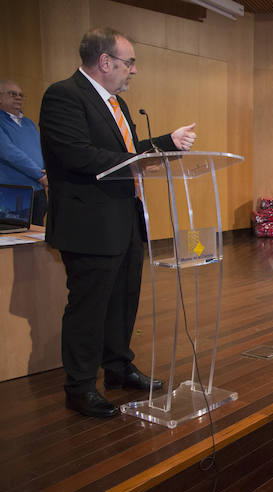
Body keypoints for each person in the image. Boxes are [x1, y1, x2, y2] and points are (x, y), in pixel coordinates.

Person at [40, 28, 197, 417]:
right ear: (105, 62)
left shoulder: (118, 106)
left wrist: (165, 142)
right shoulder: (64, 96)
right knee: (89, 309)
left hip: (124, 220)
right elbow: (79, 155)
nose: (135, 70)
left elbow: (122, 153)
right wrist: (138, 158)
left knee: (123, 302)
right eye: (130, 62)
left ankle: (117, 368)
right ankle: (78, 387)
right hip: (88, 225)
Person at [0, 79, 47, 225]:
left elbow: (42, 149)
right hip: (12, 192)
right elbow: (9, 153)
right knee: (15, 239)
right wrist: (40, 176)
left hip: (38, 190)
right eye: (12, 94)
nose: (18, 97)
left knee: (37, 238)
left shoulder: (28, 123)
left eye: (21, 94)